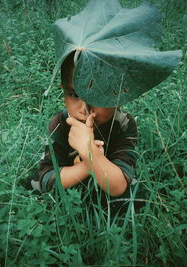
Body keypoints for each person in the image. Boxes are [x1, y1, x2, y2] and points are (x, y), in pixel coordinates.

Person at [28, 51, 138, 205]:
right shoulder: (60, 123)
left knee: (133, 194)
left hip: (109, 177)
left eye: (97, 94)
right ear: (63, 90)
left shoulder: (123, 123)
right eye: (74, 94)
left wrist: (90, 153)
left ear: (119, 95)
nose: (84, 108)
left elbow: (118, 186)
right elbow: (48, 178)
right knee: (35, 183)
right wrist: (87, 164)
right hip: (70, 177)